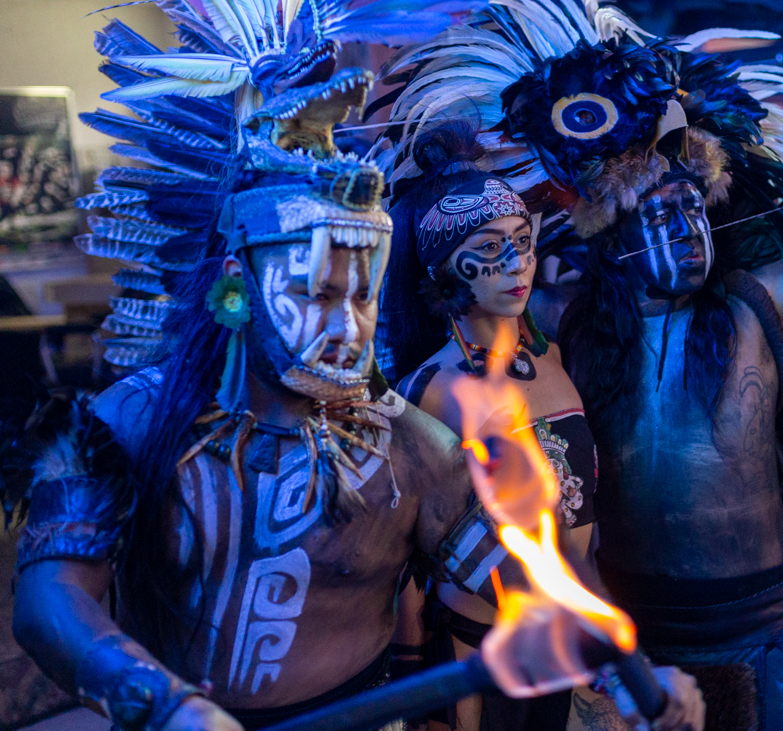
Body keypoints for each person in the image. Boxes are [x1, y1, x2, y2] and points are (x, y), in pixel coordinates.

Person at [2, 5, 706, 731]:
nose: (347, 326)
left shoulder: (410, 448)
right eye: (315, 294)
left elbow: (532, 574)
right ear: (238, 287)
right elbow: (50, 601)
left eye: (362, 295)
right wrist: (167, 705)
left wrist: (625, 669)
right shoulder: (129, 422)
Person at [379, 1, 783, 727]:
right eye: (662, 216)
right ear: (613, 238)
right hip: (638, 639)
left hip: (771, 630)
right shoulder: (569, 333)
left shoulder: (755, 308)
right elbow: (477, 286)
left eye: (694, 211)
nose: (688, 231)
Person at [381, 123, 599, 731]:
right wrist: (413, 685)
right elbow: (403, 557)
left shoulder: (555, 360)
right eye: (490, 247)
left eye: (522, 241)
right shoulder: (429, 391)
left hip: (568, 637)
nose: (516, 263)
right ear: (445, 271)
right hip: (478, 653)